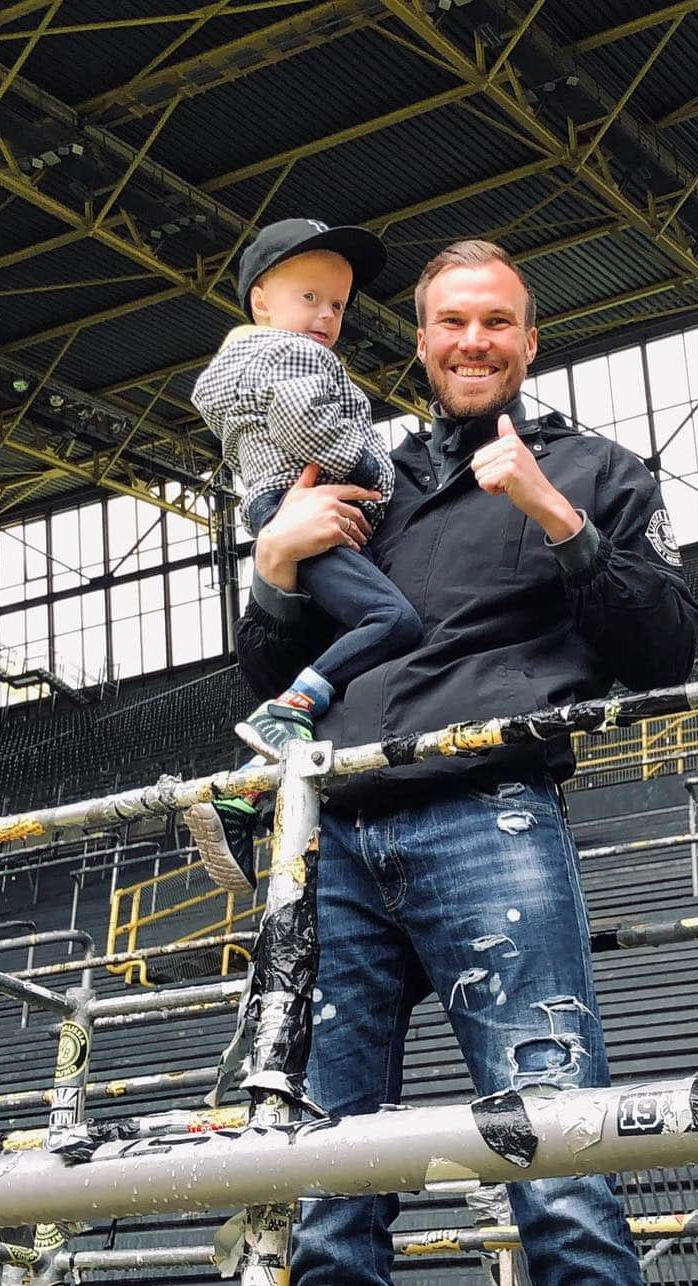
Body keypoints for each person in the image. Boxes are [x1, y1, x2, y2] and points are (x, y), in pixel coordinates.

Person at [191, 240, 698, 1286]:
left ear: (528, 339)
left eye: (497, 322)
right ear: (420, 341)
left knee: (557, 1154)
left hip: (487, 816)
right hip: (329, 836)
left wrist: (551, 514)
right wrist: (277, 568)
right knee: (328, 1184)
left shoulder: (595, 468)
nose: (475, 341)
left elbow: (665, 649)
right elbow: (273, 678)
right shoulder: (361, 480)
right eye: (452, 323)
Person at [187, 218, 421, 889]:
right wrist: (373, 467)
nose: (326, 317)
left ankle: (239, 796)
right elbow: (306, 423)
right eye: (310, 297)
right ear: (262, 300)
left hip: (282, 507)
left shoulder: (235, 370)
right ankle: (286, 708)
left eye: (338, 306)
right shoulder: (294, 357)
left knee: (343, 652)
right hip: (309, 507)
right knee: (394, 623)